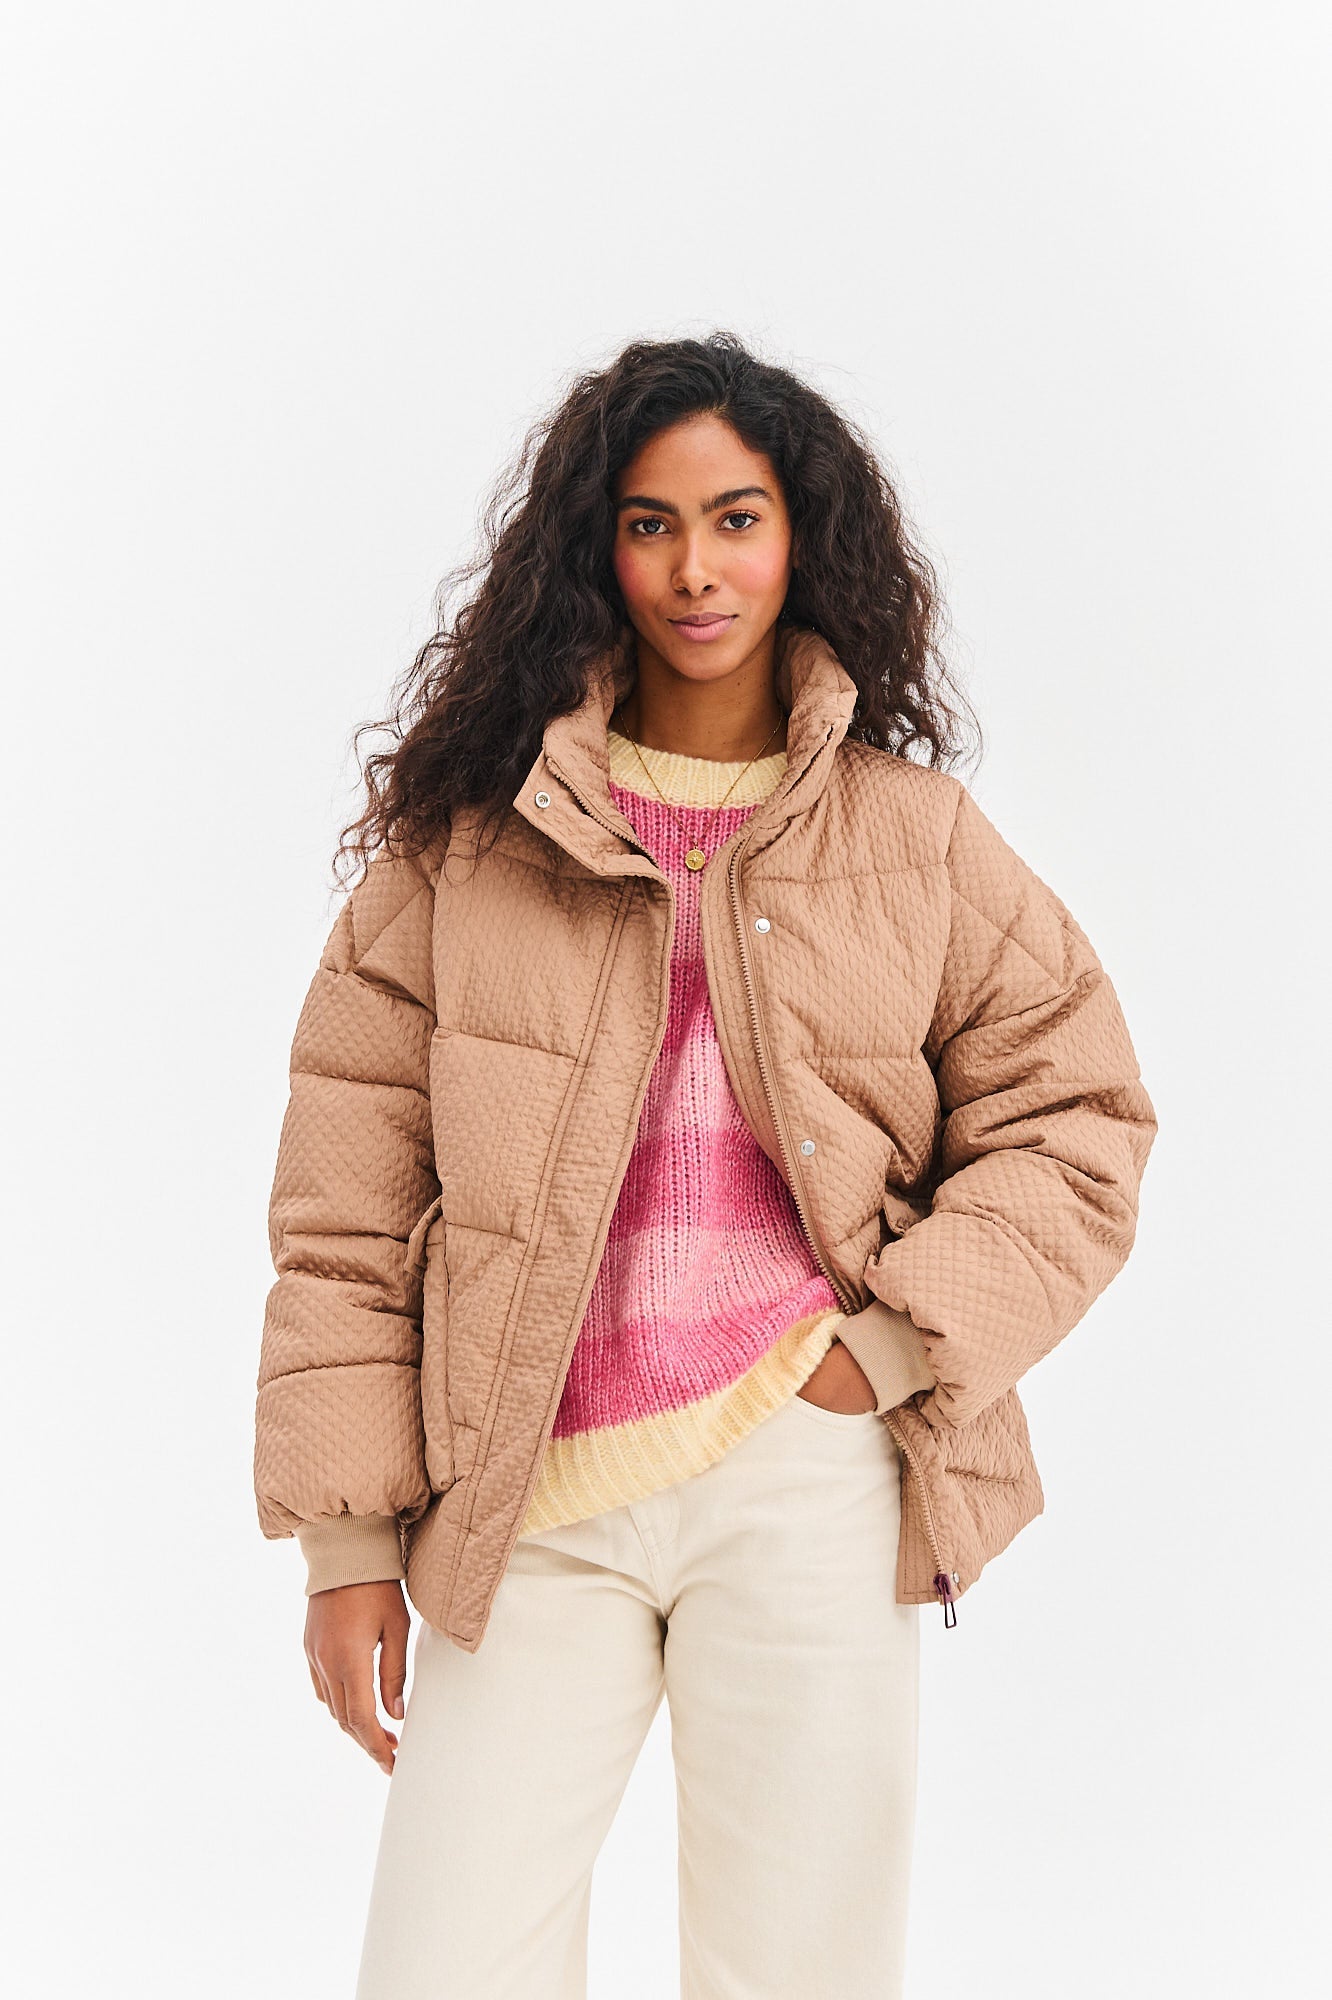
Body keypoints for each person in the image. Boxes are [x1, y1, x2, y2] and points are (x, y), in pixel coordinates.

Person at [253, 329, 1157, 1999]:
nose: (696, 569)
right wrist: (347, 1539)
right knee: (446, 1964)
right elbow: (345, 1208)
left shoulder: (912, 840)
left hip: (809, 1473)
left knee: (801, 1973)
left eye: (737, 519)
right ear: (593, 549)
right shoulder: (467, 847)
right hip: (528, 1488)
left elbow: (1081, 1118)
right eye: (651, 524)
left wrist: (893, 1345)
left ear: (801, 538)